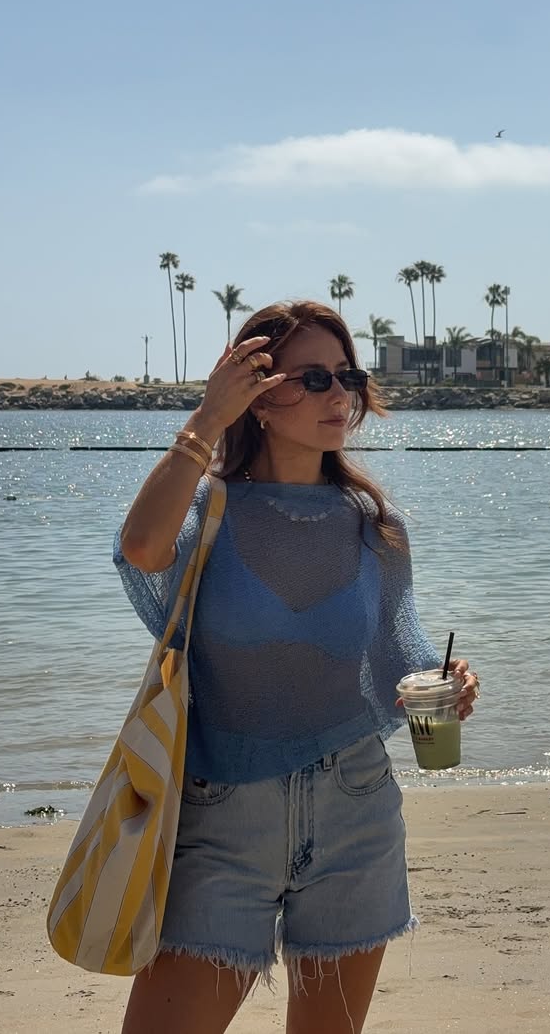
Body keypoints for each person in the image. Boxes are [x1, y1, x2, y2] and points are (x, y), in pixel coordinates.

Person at [114, 300, 480, 1034]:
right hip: (223, 815)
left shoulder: (374, 524)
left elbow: (397, 663)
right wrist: (205, 420)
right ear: (256, 394)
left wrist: (449, 685)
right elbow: (143, 550)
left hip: (356, 809)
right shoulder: (209, 510)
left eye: (347, 376)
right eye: (313, 378)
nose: (338, 395)